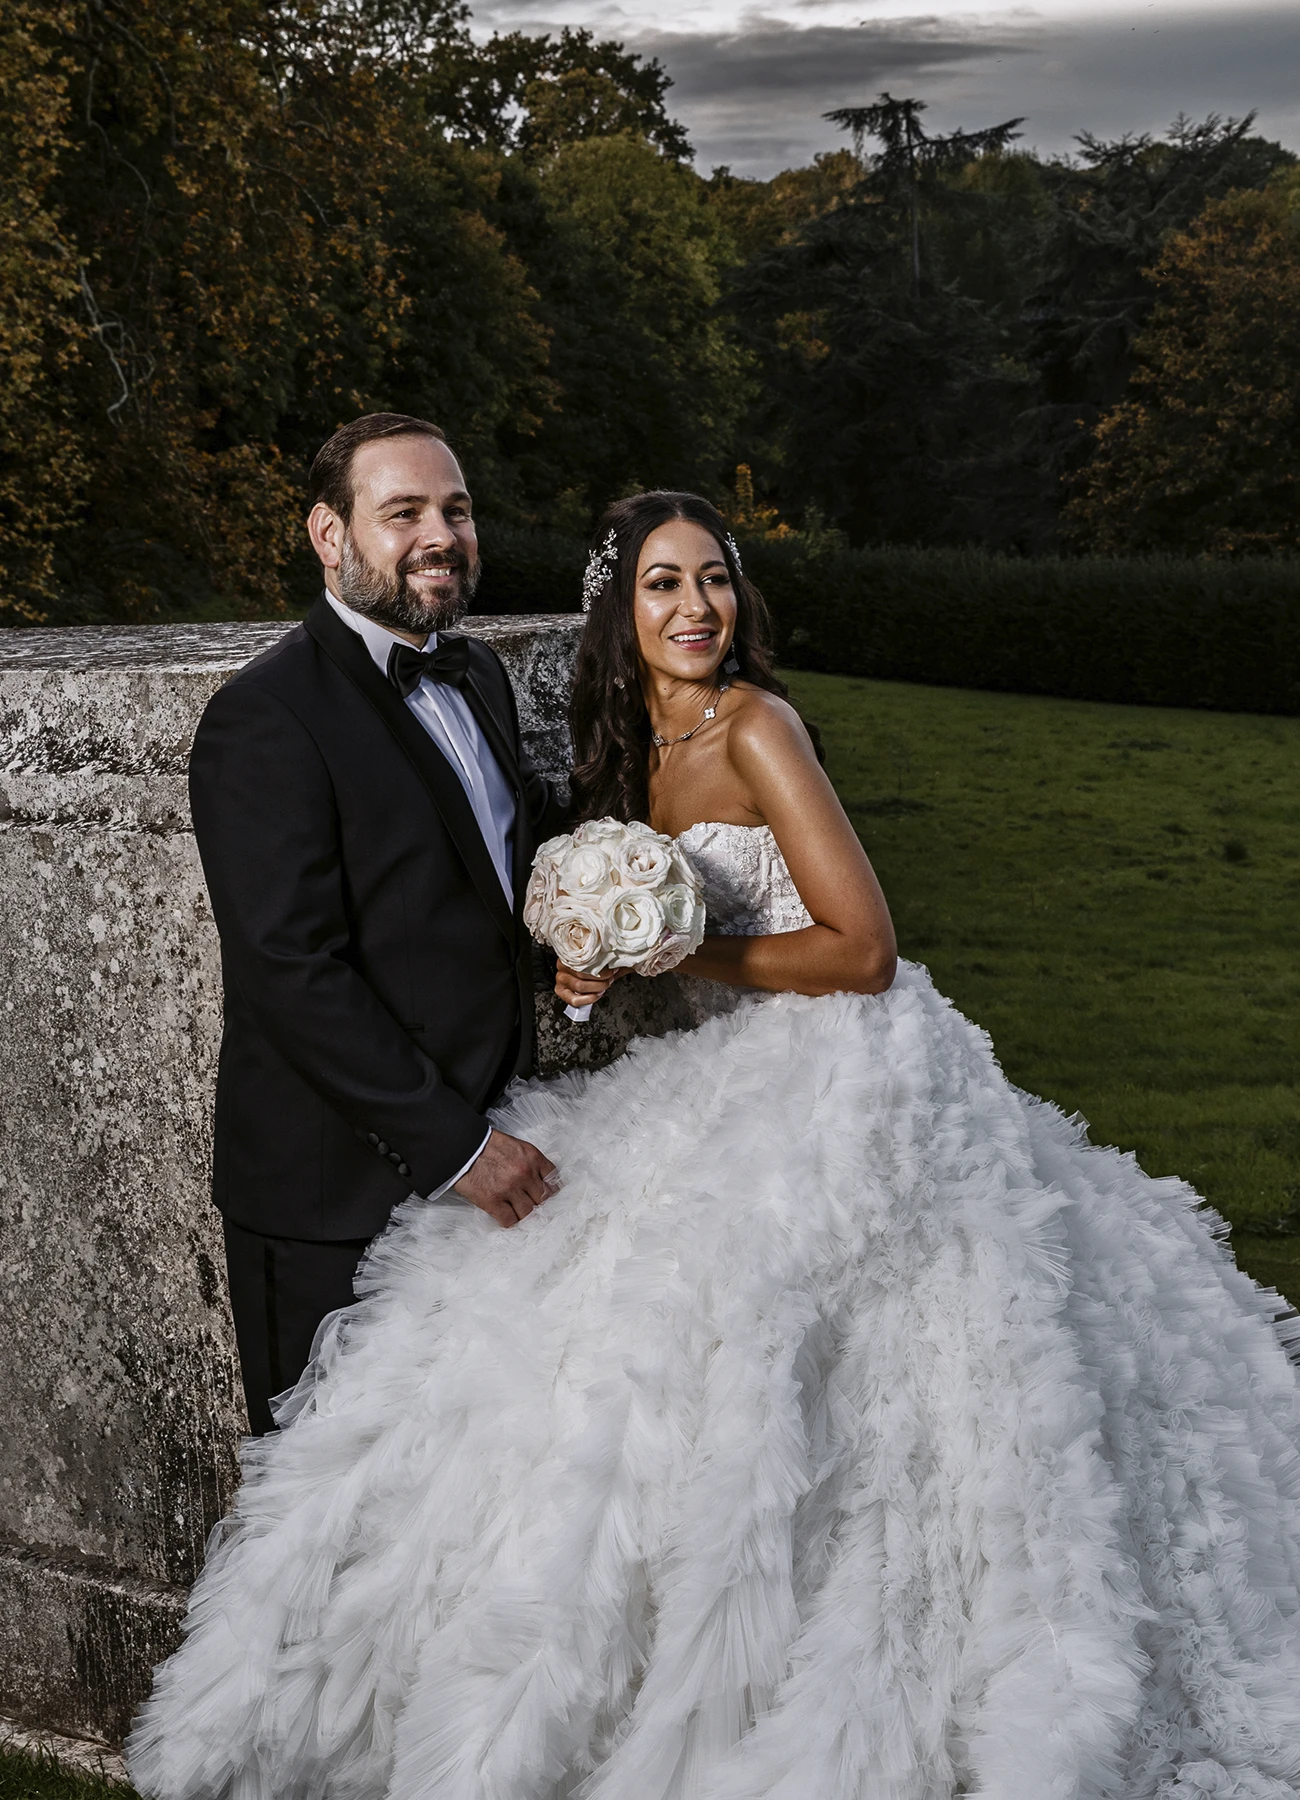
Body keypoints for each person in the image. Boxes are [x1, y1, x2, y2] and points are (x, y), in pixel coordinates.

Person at [130, 491, 1300, 1798]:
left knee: (812, 1361)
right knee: (571, 1349)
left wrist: (682, 947)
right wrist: (596, 970)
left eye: (717, 583)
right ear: (619, 617)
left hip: (834, 1068)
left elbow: (860, 949)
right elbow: (619, 949)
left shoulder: (757, 724)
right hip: (699, 1066)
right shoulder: (622, 757)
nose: (697, 610)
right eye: (664, 587)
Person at [187, 411, 564, 1436]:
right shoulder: (263, 716)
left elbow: (487, 866)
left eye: (456, 508)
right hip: (335, 1199)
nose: (439, 534)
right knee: (327, 1527)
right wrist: (455, 1148)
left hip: (496, 1148)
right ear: (329, 534)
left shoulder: (476, 674)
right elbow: (287, 966)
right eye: (402, 512)